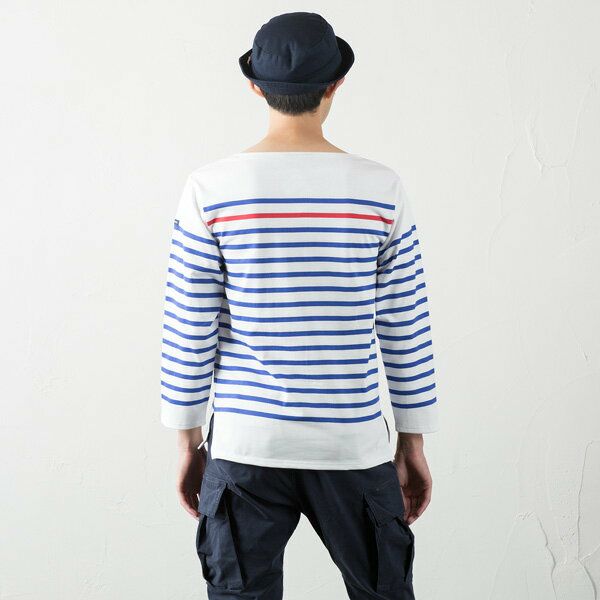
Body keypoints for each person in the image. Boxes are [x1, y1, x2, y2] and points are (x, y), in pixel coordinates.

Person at [160, 11, 440, 600]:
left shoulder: (210, 189)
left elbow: (189, 326)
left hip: (246, 445)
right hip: (352, 442)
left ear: (254, 87)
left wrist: (186, 438)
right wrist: (412, 440)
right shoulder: (380, 188)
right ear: (336, 84)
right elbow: (405, 326)